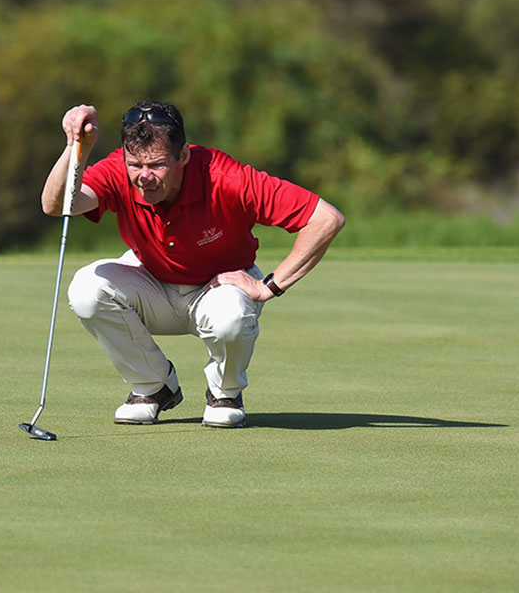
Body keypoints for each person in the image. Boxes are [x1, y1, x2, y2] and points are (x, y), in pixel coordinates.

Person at [41, 100, 345, 428]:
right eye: (135, 165)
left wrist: (268, 286)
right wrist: (77, 148)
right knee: (87, 289)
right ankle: (153, 386)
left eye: (157, 165)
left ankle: (225, 394)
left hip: (218, 290)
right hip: (151, 284)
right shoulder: (118, 169)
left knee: (231, 315)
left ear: (183, 155)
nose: (144, 177)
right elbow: (56, 205)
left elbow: (326, 219)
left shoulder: (227, 178)